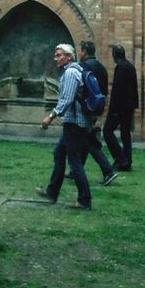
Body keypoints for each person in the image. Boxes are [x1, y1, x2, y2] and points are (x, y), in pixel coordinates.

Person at [36, 44, 95, 209]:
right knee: (59, 153)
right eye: (56, 55)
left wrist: (50, 116)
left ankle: (84, 200)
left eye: (59, 55)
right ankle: (52, 191)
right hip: (76, 122)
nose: (56, 58)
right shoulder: (75, 71)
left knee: (74, 162)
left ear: (69, 57)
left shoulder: (70, 73)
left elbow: (67, 99)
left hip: (75, 123)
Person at [77, 40, 117, 185]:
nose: (78, 53)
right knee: (84, 138)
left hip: (86, 108)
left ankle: (107, 171)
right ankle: (76, 170)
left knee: (87, 140)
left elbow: (80, 89)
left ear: (85, 52)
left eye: (80, 50)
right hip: (97, 107)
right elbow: (105, 91)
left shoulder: (83, 67)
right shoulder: (102, 67)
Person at [104, 43, 138, 172]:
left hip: (120, 108)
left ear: (114, 55)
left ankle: (121, 159)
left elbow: (117, 90)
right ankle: (127, 161)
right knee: (125, 134)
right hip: (129, 106)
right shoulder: (130, 66)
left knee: (107, 131)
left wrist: (113, 110)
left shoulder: (120, 67)